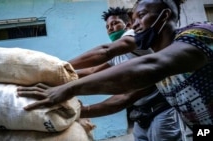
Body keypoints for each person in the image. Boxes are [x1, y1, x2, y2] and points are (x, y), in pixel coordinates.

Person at [17, 0, 213, 140]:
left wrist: (69, 88)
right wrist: (74, 105)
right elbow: (123, 96)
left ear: (164, 16)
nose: (134, 25)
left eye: (141, 16)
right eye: (133, 18)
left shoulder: (198, 34)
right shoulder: (154, 63)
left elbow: (150, 65)